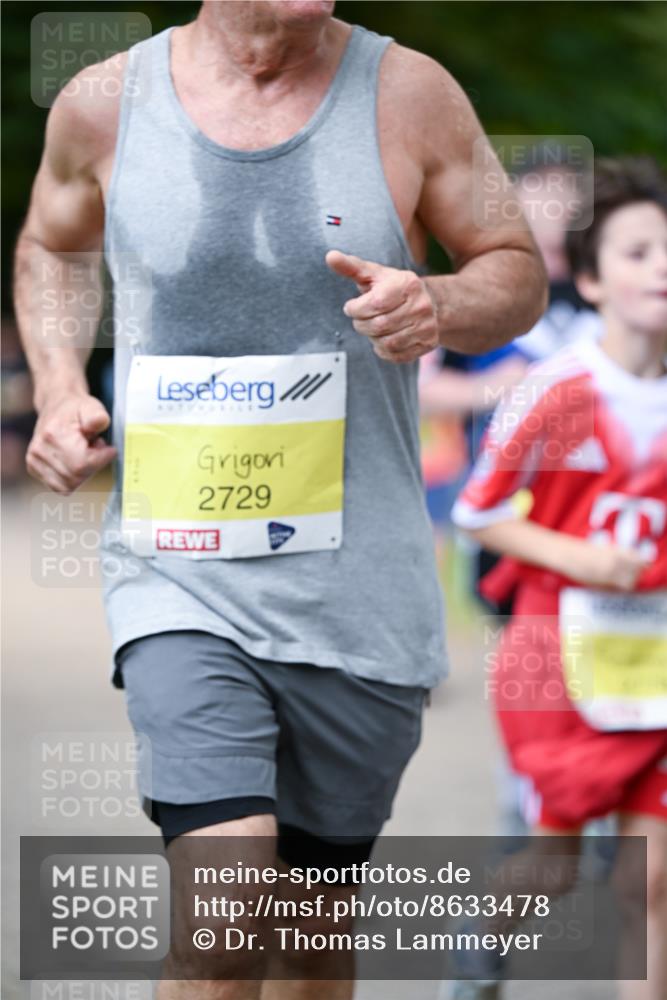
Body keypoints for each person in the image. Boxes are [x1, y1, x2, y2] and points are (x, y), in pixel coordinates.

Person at [14, 2, 546, 997]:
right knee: (224, 914)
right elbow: (52, 245)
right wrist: (56, 387)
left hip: (361, 593)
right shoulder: (105, 103)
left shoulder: (413, 95)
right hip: (180, 576)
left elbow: (513, 271)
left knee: (309, 941)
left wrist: (440, 303)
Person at [451, 157, 667, 1000]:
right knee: (552, 864)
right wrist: (580, 558)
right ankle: (478, 960)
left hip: (656, 661)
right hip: (556, 657)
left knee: (648, 881)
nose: (662, 268)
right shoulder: (555, 388)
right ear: (589, 277)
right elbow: (478, 512)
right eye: (638, 251)